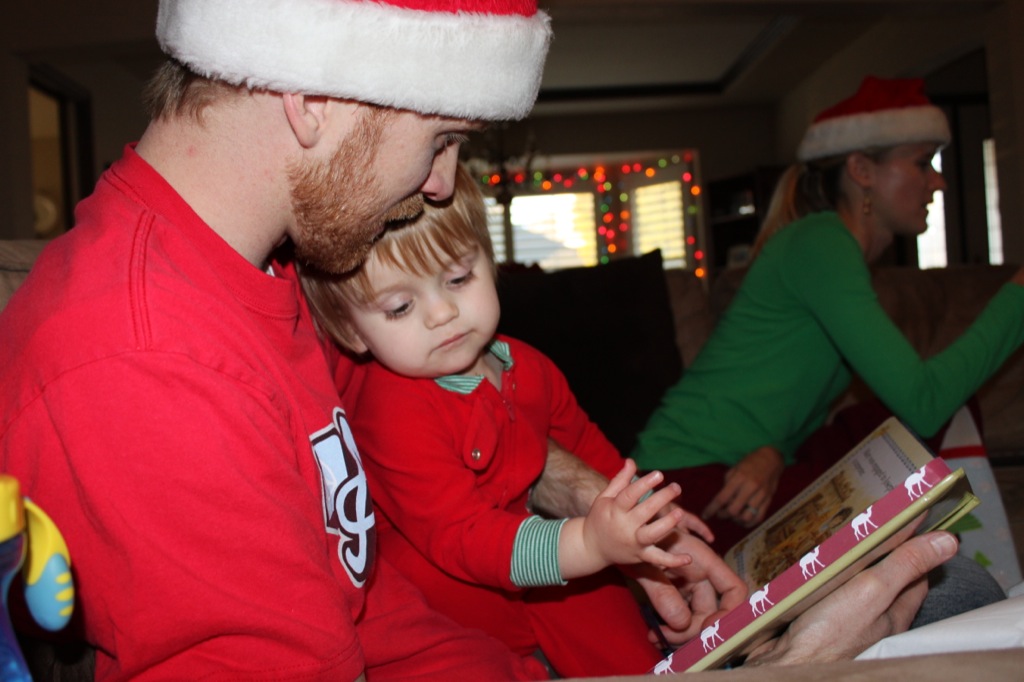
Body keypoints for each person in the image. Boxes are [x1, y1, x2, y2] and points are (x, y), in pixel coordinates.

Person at [0, 0, 966, 674]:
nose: (437, 186)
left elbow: (397, 516)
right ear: (314, 95)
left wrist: (587, 496)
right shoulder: (142, 364)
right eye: (443, 140)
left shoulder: (275, 272)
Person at [300, 163, 733, 677]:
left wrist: (644, 517)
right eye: (399, 307)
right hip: (453, 600)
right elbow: (463, 536)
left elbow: (590, 451)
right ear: (351, 332)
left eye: (458, 278)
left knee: (631, 648)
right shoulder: (391, 411)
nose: (442, 313)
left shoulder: (529, 365)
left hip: (550, 563)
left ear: (491, 261)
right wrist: (589, 543)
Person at [632, 76, 1024, 553]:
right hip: (686, 481)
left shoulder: (835, 252)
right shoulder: (821, 244)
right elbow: (924, 402)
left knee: (891, 423)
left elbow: (796, 407)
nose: (938, 181)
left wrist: (773, 453)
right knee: (920, 424)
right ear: (861, 170)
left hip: (740, 468)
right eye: (923, 163)